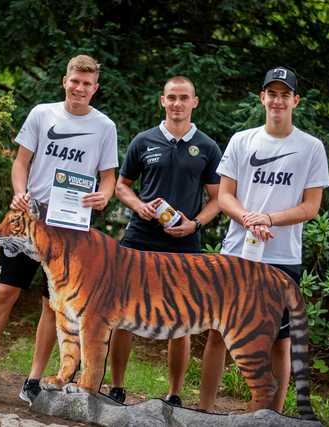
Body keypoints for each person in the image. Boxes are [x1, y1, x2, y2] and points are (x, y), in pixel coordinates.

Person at [0, 55, 118, 402]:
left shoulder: (105, 127)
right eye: (74, 81)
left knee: (51, 305)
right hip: (30, 218)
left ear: (95, 89)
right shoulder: (41, 114)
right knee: (5, 292)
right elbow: (21, 162)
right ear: (64, 81)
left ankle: (34, 380)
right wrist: (19, 193)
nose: (79, 88)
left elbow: (108, 178)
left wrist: (104, 197)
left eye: (87, 84)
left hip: (70, 228)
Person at [197, 66, 329, 412]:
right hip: (237, 254)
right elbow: (224, 195)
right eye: (272, 94)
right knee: (217, 333)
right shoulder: (242, 140)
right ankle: (205, 411)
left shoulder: (311, 148)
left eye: (285, 95)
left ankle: (270, 416)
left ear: (295, 101)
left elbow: (311, 206)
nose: (277, 100)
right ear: (262, 98)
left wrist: (268, 219)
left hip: (282, 257)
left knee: (279, 341)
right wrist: (248, 219)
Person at [108, 76, 222, 406]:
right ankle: (116, 387)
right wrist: (138, 205)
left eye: (183, 97)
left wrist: (195, 224)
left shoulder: (208, 147)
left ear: (194, 102)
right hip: (140, 240)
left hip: (184, 244)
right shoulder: (143, 141)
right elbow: (121, 185)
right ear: (162, 101)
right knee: (123, 315)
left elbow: (218, 199)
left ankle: (174, 393)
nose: (177, 103)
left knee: (181, 321)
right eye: (171, 97)